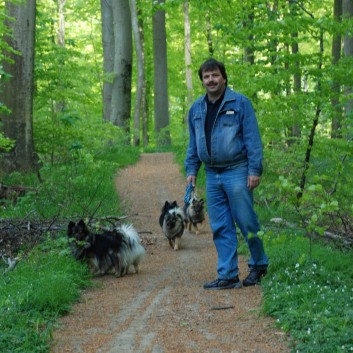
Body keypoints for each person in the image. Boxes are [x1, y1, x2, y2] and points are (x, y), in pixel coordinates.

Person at [184, 58, 269, 290]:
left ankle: (259, 265)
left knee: (246, 221)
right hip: (212, 175)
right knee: (220, 225)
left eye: (215, 75)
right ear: (202, 81)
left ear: (224, 78)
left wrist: (254, 170)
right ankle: (228, 275)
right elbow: (194, 143)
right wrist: (191, 169)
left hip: (238, 171)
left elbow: (253, 139)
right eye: (206, 76)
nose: (211, 80)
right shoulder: (196, 109)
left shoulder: (241, 103)